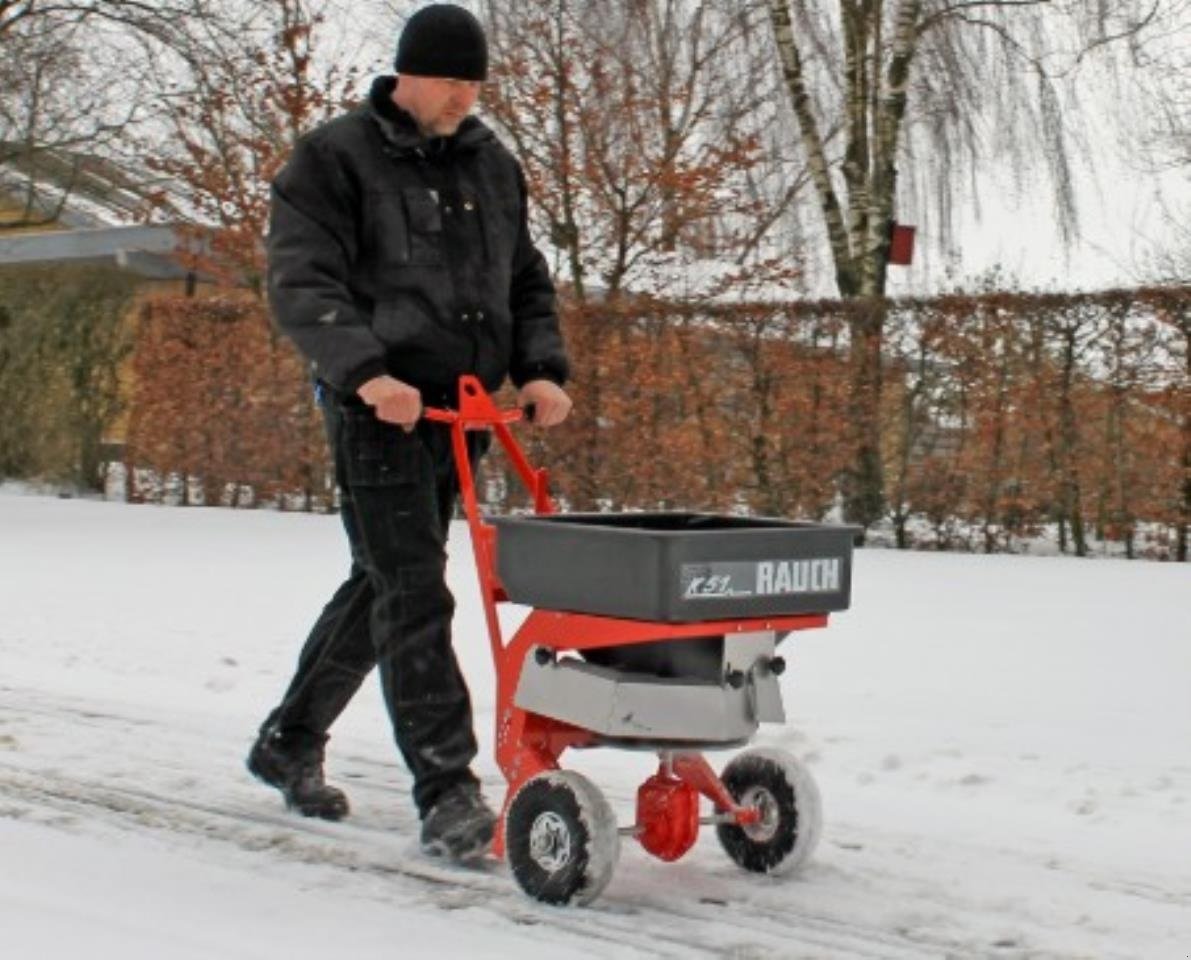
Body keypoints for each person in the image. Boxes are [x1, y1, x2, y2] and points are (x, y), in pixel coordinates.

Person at [248, 3, 572, 863]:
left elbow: (525, 279)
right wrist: (365, 371)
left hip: (461, 410)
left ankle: (287, 740)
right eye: (454, 81)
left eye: (476, 82)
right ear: (408, 74)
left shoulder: (490, 164)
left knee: (384, 584)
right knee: (415, 594)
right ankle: (446, 792)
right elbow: (302, 281)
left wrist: (540, 368)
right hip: (378, 410)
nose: (467, 97)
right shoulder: (333, 159)